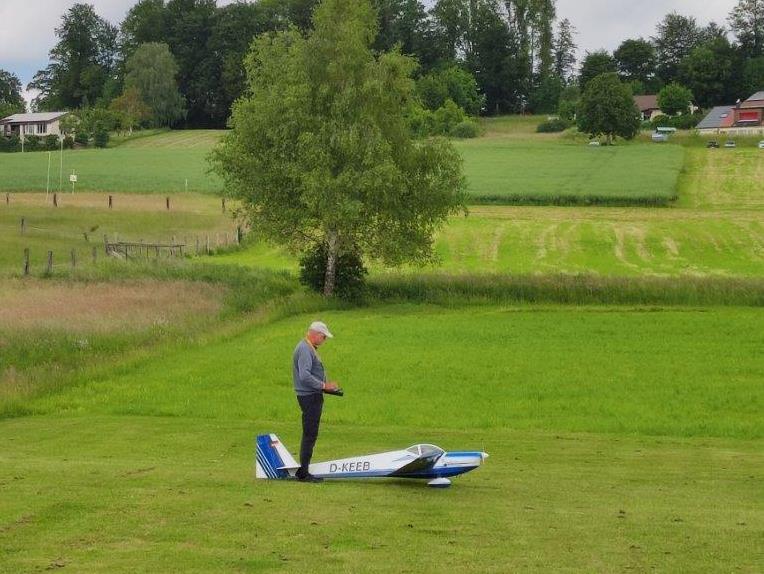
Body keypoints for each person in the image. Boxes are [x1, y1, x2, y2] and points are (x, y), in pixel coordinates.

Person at [292, 321, 339, 483]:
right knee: (310, 434)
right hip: (309, 397)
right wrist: (324, 385)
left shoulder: (308, 348)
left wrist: (326, 388)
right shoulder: (305, 349)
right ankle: (304, 473)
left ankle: (303, 470)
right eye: (323, 337)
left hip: (313, 395)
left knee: (310, 433)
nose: (324, 340)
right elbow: (304, 376)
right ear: (315, 334)